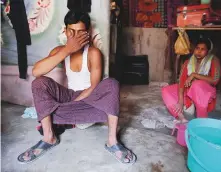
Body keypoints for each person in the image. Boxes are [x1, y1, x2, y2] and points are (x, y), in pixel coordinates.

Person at [17, 10, 136, 164]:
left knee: (112, 83)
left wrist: (71, 106)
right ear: (65, 31)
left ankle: (112, 141)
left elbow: (93, 87)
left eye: (80, 32)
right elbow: (36, 72)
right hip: (70, 96)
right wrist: (67, 49)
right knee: (39, 83)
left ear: (88, 33)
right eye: (71, 32)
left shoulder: (93, 53)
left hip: (91, 101)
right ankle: (49, 137)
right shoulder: (59, 51)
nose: (74, 37)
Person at [162, 38, 221, 123]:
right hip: (189, 91)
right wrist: (181, 102)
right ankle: (182, 118)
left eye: (203, 49)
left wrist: (194, 75)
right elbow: (182, 82)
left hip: (205, 93)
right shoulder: (188, 62)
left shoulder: (213, 60)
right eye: (197, 48)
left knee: (197, 84)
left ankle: (202, 121)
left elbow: (215, 80)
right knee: (166, 90)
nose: (199, 51)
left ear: (208, 51)